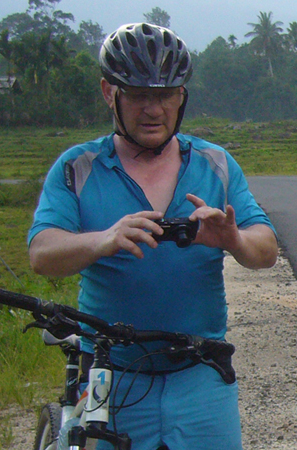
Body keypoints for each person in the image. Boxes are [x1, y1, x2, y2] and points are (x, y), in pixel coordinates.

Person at [28, 23, 277, 450]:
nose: (153, 109)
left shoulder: (215, 163)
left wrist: (233, 239)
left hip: (200, 371)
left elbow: (266, 249)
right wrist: (103, 239)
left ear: (182, 96)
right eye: (139, 95)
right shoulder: (79, 167)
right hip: (113, 373)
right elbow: (41, 253)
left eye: (165, 95)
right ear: (110, 93)